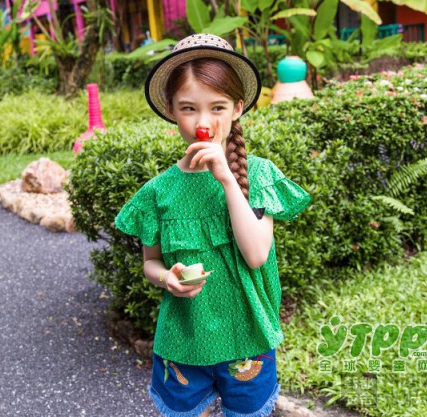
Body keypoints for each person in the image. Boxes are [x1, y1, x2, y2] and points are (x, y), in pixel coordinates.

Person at [115, 33, 312, 417]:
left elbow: (256, 255)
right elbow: (150, 263)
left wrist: (226, 178)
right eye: (188, 108)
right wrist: (165, 278)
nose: (203, 123)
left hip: (246, 339)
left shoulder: (258, 175)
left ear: (238, 108)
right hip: (185, 341)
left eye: (217, 107)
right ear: (171, 109)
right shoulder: (158, 192)